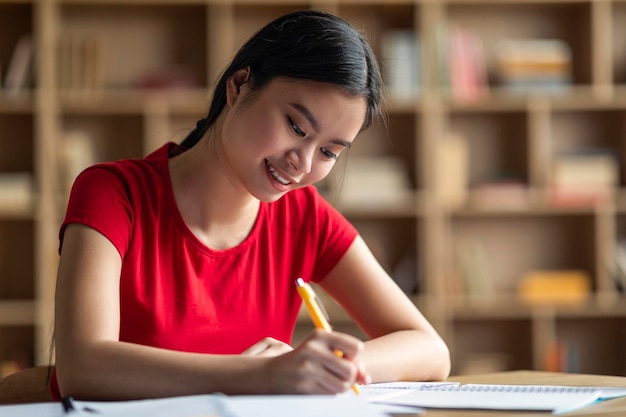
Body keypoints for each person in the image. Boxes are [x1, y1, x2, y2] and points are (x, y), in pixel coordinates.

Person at [52, 10, 450, 401]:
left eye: (329, 152)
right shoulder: (113, 194)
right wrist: (260, 374)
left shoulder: (305, 217)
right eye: (296, 127)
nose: (304, 163)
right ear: (239, 85)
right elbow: (83, 367)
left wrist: (323, 366)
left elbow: (431, 350)